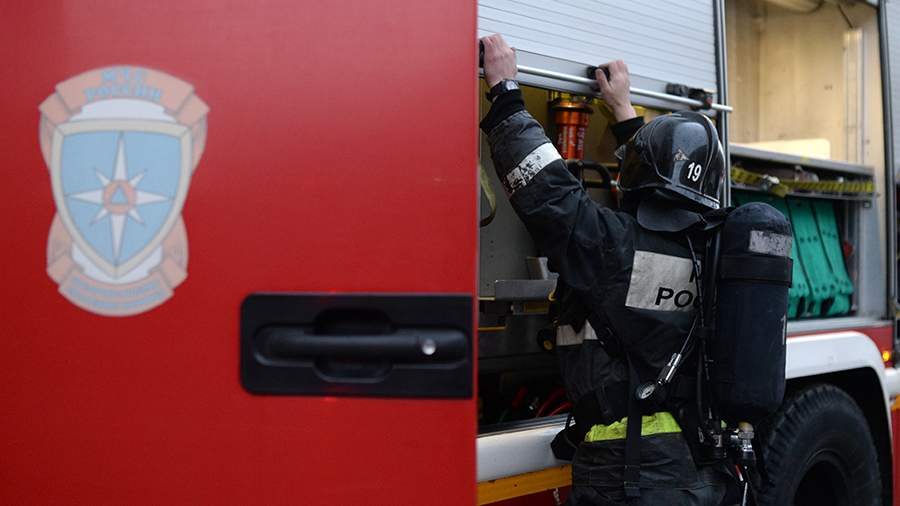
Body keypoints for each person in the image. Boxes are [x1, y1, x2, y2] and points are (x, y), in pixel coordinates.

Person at [479, 34, 730, 505]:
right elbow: (665, 179)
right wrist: (625, 113)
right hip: (692, 465)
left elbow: (550, 195)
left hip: (628, 474)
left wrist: (507, 97)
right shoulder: (710, 250)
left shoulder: (618, 248)